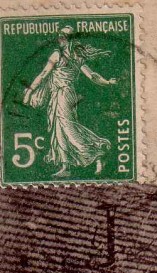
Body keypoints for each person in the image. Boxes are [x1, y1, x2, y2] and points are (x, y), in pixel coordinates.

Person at [22, 27, 118, 177]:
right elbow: (92, 75)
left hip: (63, 94)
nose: (59, 39)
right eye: (59, 36)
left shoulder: (58, 55)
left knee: (67, 127)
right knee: (58, 128)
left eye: (62, 36)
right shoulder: (77, 56)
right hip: (61, 94)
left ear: (68, 39)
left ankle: (97, 152)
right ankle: (66, 166)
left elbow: (43, 74)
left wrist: (29, 91)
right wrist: (107, 82)